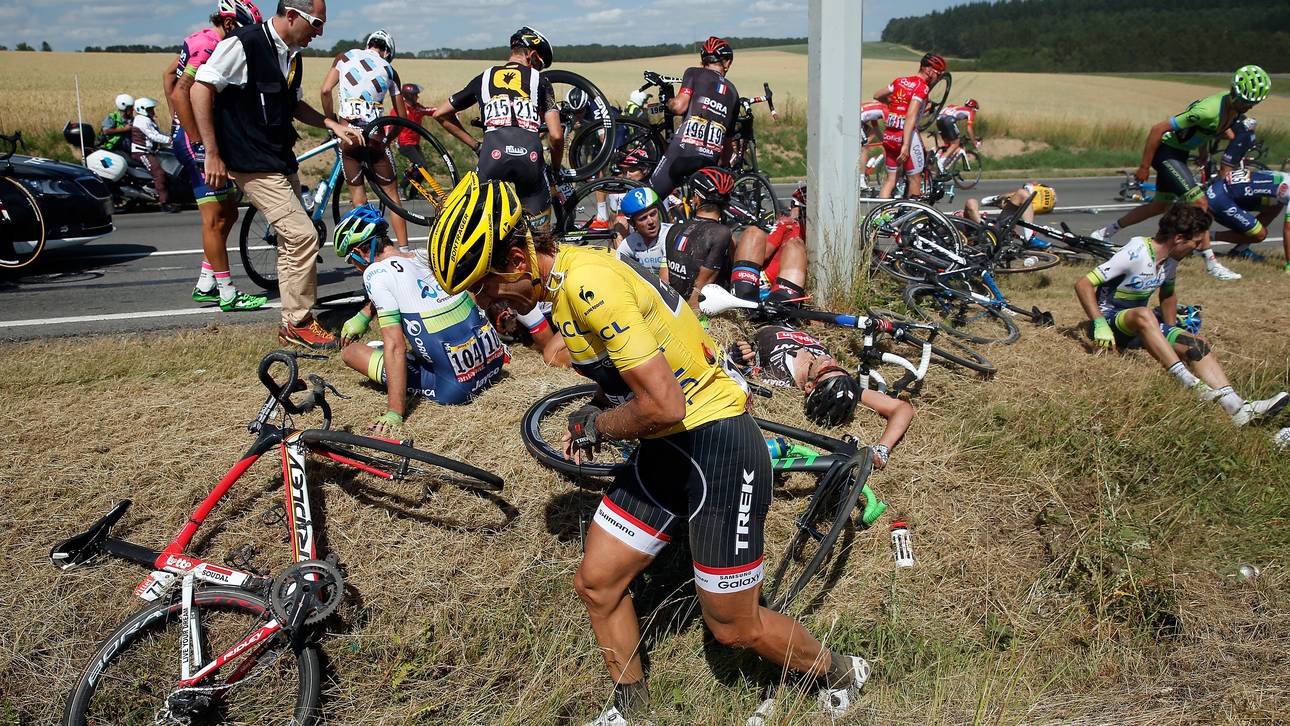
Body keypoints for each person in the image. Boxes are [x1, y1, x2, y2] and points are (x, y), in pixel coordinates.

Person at [425, 172, 873, 726]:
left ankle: (842, 673)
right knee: (598, 584)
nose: (481, 301)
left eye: (482, 286)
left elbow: (664, 405)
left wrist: (596, 427)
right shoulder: (560, 284)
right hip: (669, 447)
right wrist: (594, 409)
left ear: (517, 259)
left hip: (717, 445)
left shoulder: (589, 286)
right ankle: (630, 710)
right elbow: (625, 372)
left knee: (734, 627)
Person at [192, 0, 366, 351]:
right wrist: (211, 152)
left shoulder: (292, 56)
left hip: (279, 157)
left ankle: (293, 321)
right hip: (250, 161)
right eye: (316, 23)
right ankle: (299, 321)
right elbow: (200, 87)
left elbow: (294, 104)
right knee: (302, 236)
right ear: (291, 15)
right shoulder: (245, 44)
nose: (320, 32)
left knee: (292, 240)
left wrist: (331, 123)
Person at [1074, 203, 1287, 429]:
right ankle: (1190, 383)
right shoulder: (1136, 251)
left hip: (1139, 326)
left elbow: (1168, 295)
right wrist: (1099, 323)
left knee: (1196, 345)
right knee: (1145, 314)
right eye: (1196, 242)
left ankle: (1238, 408)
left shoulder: (1171, 260)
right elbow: (1083, 284)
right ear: (1178, 239)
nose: (1198, 247)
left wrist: (1172, 332)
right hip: (1110, 321)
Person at [1090, 65, 1272, 281]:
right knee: (1201, 203)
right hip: (1167, 153)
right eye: (1245, 102)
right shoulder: (1207, 110)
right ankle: (1211, 263)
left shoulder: (1233, 110)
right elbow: (1157, 129)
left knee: (1159, 206)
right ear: (1234, 93)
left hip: (1180, 153)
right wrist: (1144, 167)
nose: (1248, 107)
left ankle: (1104, 233)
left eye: (1253, 104)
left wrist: (1203, 152)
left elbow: (1207, 130)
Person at [333, 205, 504, 433]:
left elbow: (396, 347)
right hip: (494, 361)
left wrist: (394, 412)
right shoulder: (423, 255)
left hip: (457, 387)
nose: (355, 268)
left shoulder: (374, 274)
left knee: (351, 353)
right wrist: (365, 314)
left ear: (361, 252)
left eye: (350, 260)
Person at [164, 0, 267, 312]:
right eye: (245, 30)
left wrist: (175, 122)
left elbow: (168, 75)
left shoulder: (204, 39)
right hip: (196, 142)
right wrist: (196, 140)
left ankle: (206, 283)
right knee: (214, 219)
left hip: (192, 136)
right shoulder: (209, 46)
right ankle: (227, 293)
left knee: (230, 213)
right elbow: (180, 91)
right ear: (231, 23)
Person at [726, 324, 914, 469]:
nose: (831, 361)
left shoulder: (776, 377)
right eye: (838, 368)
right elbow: (902, 408)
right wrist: (882, 449)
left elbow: (737, 364)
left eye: (827, 369)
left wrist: (738, 355)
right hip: (797, 319)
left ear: (810, 386)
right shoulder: (841, 385)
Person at [432, 26, 562, 229]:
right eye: (540, 65)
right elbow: (556, 136)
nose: (539, 70)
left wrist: (475, 145)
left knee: (481, 231)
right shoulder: (541, 81)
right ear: (532, 56)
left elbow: (440, 114)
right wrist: (555, 169)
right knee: (540, 238)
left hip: (492, 158)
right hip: (530, 161)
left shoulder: (483, 78)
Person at [320, 29, 411, 248]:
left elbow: (325, 91)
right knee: (393, 198)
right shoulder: (389, 69)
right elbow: (402, 117)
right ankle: (404, 249)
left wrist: (332, 122)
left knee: (358, 200)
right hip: (375, 138)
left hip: (348, 136)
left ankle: (366, 252)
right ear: (387, 52)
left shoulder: (344, 57)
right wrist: (390, 138)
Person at [647, 37, 739, 199]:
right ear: (728, 62)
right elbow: (728, 145)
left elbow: (679, 107)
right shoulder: (733, 92)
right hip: (709, 160)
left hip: (682, 151)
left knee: (648, 200)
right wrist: (722, 167)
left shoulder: (694, 73)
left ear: (703, 60)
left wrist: (667, 101)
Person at [874, 52, 947, 199]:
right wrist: (906, 145)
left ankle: (882, 212)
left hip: (889, 135)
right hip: (905, 136)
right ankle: (912, 213)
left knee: (890, 180)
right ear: (929, 70)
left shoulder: (899, 81)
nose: (938, 77)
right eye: (938, 73)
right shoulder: (922, 87)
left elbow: (877, 95)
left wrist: (893, 104)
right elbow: (911, 116)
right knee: (915, 179)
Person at [1204, 169, 1289, 271]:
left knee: (1276, 205)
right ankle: (1206, 236)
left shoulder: (1285, 177)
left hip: (1222, 189)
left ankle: (1240, 250)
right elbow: (1288, 230)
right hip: (1221, 199)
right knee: (1260, 235)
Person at [961, 182, 1056, 249]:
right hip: (977, 236)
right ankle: (987, 233)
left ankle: (1029, 238)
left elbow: (977, 204)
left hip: (992, 228)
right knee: (971, 201)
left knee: (1022, 193)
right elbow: (970, 205)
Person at [129, 98, 178, 213]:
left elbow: (159, 133)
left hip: (150, 151)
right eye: (150, 109)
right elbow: (153, 136)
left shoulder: (147, 119)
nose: (152, 111)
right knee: (159, 174)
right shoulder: (142, 120)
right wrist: (170, 141)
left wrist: (173, 138)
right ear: (142, 109)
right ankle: (164, 203)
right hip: (142, 153)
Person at [615, 187, 671, 281]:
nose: (651, 221)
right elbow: (616, 270)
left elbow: (665, 282)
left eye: (653, 214)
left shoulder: (669, 235)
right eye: (643, 218)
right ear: (632, 223)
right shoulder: (630, 242)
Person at [395, 82, 434, 198]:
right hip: (405, 143)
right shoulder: (400, 109)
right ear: (409, 96)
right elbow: (391, 124)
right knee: (420, 165)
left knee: (422, 168)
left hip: (415, 143)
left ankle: (413, 193)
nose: (418, 97)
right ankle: (401, 187)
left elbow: (430, 110)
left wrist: (450, 111)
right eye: (415, 95)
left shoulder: (417, 108)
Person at [936, 98, 981, 172]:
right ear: (974, 108)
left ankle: (938, 156)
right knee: (956, 143)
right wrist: (974, 142)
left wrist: (973, 137)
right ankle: (941, 161)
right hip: (948, 120)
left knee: (948, 145)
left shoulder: (955, 107)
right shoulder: (971, 111)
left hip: (939, 119)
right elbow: (969, 129)